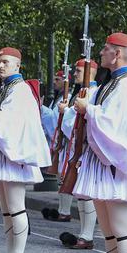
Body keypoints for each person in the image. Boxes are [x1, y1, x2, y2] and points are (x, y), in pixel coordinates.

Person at [72, 33, 127, 253]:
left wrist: (90, 110)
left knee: (122, 229)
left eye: (105, 49)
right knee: (109, 230)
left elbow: (119, 127)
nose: (100, 53)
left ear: (117, 54)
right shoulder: (111, 83)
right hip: (103, 164)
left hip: (116, 166)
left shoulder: (126, 86)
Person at [0, 47, 51, 253]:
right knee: (7, 210)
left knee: (17, 208)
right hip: (4, 155)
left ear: (18, 65)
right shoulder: (7, 88)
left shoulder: (19, 90)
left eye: (6, 62)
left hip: (14, 157)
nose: (0, 66)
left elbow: (12, 123)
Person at [51, 59, 99, 228]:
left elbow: (84, 119)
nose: (75, 74)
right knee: (79, 190)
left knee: (86, 192)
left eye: (78, 71)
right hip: (74, 146)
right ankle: (84, 232)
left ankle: (87, 233)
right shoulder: (81, 93)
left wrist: (67, 112)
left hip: (86, 147)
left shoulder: (94, 93)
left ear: (89, 72)